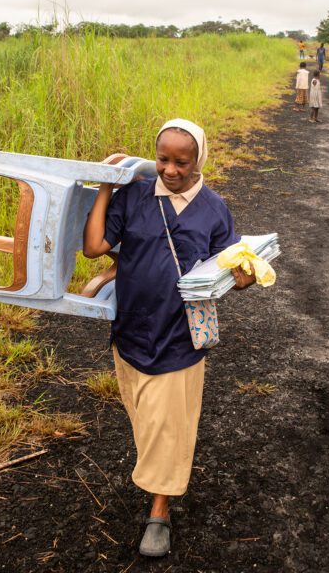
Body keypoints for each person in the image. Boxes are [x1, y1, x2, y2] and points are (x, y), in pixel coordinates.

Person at [82, 119, 255, 558]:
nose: (171, 169)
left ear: (199, 161)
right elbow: (95, 246)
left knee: (168, 424)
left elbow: (230, 269)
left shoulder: (214, 209)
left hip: (180, 336)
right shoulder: (136, 196)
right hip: (132, 330)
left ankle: (159, 512)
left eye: (182, 161)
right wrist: (107, 184)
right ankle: (160, 478)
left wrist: (242, 278)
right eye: (163, 159)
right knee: (146, 418)